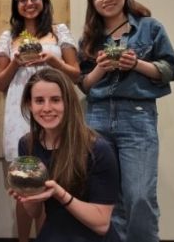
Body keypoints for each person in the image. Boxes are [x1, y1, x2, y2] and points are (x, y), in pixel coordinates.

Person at [77, 0, 174, 242]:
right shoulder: (90, 37)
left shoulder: (150, 27)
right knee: (108, 198)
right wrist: (101, 68)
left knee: (139, 197)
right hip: (97, 117)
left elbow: (172, 69)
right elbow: (85, 84)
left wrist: (137, 64)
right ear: (93, 2)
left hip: (137, 116)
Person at [0, 0, 80, 241]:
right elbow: (0, 83)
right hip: (21, 114)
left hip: (55, 112)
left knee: (56, 181)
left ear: (44, 0)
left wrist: (55, 61)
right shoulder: (8, 37)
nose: (29, 3)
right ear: (15, 4)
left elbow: (76, 75)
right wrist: (15, 64)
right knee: (24, 184)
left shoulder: (59, 31)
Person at [10, 68, 120, 242]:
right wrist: (28, 197)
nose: (46, 108)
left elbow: (101, 224)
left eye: (55, 100)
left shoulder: (98, 149)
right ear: (30, 105)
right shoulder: (27, 144)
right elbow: (35, 212)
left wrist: (60, 194)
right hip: (55, 233)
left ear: (68, 103)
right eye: (39, 101)